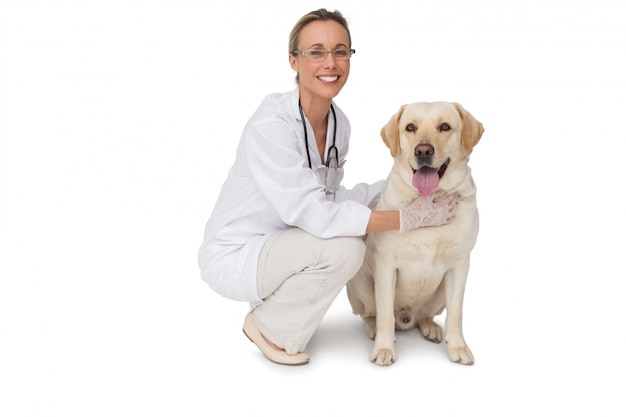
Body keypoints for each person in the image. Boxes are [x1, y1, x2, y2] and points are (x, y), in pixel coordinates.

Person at [198, 8, 456, 365]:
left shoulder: (339, 125)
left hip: (286, 244)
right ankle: (270, 327)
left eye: (340, 51)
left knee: (347, 235)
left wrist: (404, 187)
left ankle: (278, 311)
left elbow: (332, 198)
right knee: (347, 248)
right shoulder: (270, 125)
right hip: (237, 253)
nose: (330, 62)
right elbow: (315, 214)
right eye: (316, 52)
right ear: (294, 61)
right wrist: (405, 217)